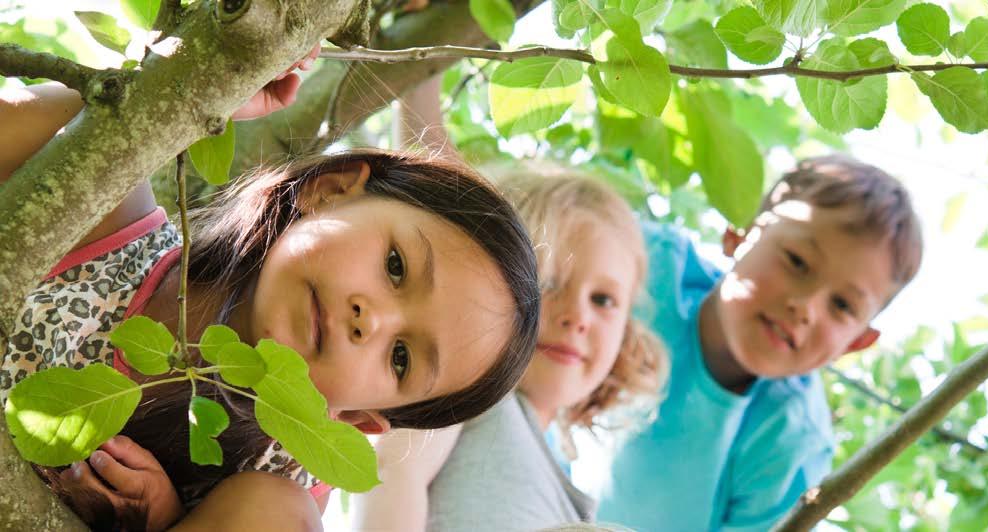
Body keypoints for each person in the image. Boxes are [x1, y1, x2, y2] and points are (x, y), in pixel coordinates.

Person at [0, 51, 540, 531]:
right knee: (91, 137)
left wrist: (169, 520)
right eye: (395, 267)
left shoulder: (274, 490)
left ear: (353, 418)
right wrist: (189, 89)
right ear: (329, 192)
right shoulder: (105, 226)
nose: (369, 321)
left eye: (401, 357)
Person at [597, 155, 923, 530]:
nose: (805, 308)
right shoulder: (642, 264)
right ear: (740, 235)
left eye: (842, 305)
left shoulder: (791, 442)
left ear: (855, 343)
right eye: (798, 262)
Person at [350, 166, 669, 531]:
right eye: (548, 283)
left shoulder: (566, 499)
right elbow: (395, 469)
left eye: (603, 299)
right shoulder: (475, 392)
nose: (577, 316)